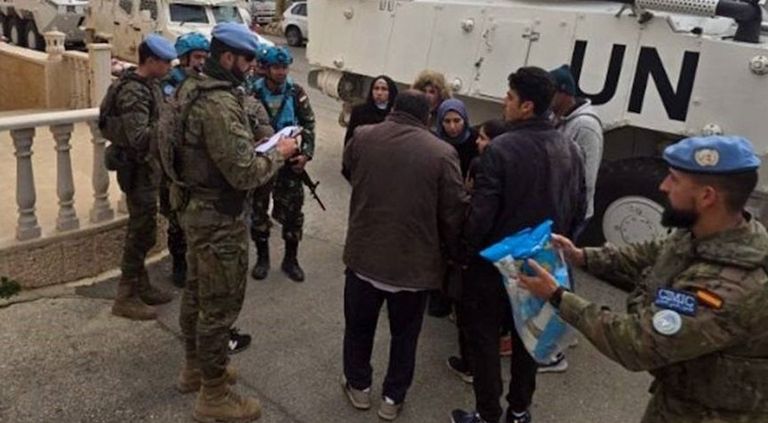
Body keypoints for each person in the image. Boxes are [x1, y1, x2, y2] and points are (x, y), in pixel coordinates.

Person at [520, 135, 768, 423]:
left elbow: (637, 343)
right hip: (679, 396)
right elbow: (654, 252)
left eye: (674, 180)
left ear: (707, 197)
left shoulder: (727, 289)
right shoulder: (706, 231)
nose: (664, 186)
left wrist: (558, 296)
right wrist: (582, 256)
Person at [173, 22, 299, 422]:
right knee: (219, 308)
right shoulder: (218, 102)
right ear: (227, 58)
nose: (252, 67)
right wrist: (279, 152)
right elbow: (244, 173)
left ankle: (196, 368)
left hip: (196, 208)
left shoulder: (192, 87)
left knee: (197, 293)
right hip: (218, 219)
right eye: (247, 60)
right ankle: (213, 394)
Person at [451, 67, 586, 423]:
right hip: (543, 264)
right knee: (530, 339)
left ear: (527, 106)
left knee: (484, 341)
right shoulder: (571, 149)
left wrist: (463, 254)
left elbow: (481, 216)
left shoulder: (500, 149)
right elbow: (578, 209)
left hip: (494, 266)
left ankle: (488, 414)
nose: (504, 102)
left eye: (510, 97)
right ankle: (519, 411)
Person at [341, 90, 467, 421]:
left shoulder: (363, 136)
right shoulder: (442, 153)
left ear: (394, 109)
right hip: (414, 269)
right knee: (405, 337)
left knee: (358, 329)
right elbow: (453, 212)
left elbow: (349, 169)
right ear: (428, 117)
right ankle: (392, 398)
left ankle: (358, 386)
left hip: (364, 259)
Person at [101, 34, 176, 321]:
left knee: (144, 229)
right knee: (140, 232)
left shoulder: (149, 85)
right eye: (165, 61)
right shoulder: (133, 92)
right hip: (137, 170)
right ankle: (125, 296)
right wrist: (170, 125)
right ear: (151, 61)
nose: (169, 66)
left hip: (147, 169)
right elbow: (140, 137)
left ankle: (141, 285)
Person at [249, 45, 316, 282]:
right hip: (262, 161)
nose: (281, 72)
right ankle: (262, 258)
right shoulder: (253, 93)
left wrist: (305, 154)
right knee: (258, 211)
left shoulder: (295, 92)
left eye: (284, 67)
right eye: (276, 67)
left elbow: (308, 124)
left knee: (293, 213)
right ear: (266, 69)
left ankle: (291, 259)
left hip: (289, 162)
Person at [549, 65, 603, 235]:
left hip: (570, 213)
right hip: (554, 207)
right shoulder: (555, 117)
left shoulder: (586, 126)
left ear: (564, 93)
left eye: (550, 91)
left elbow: (587, 178)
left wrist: (570, 215)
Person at [341, 75, 399, 180]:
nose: (379, 93)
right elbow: (350, 140)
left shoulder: (396, 115)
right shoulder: (360, 112)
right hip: (363, 167)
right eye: (376, 88)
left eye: (384, 89)